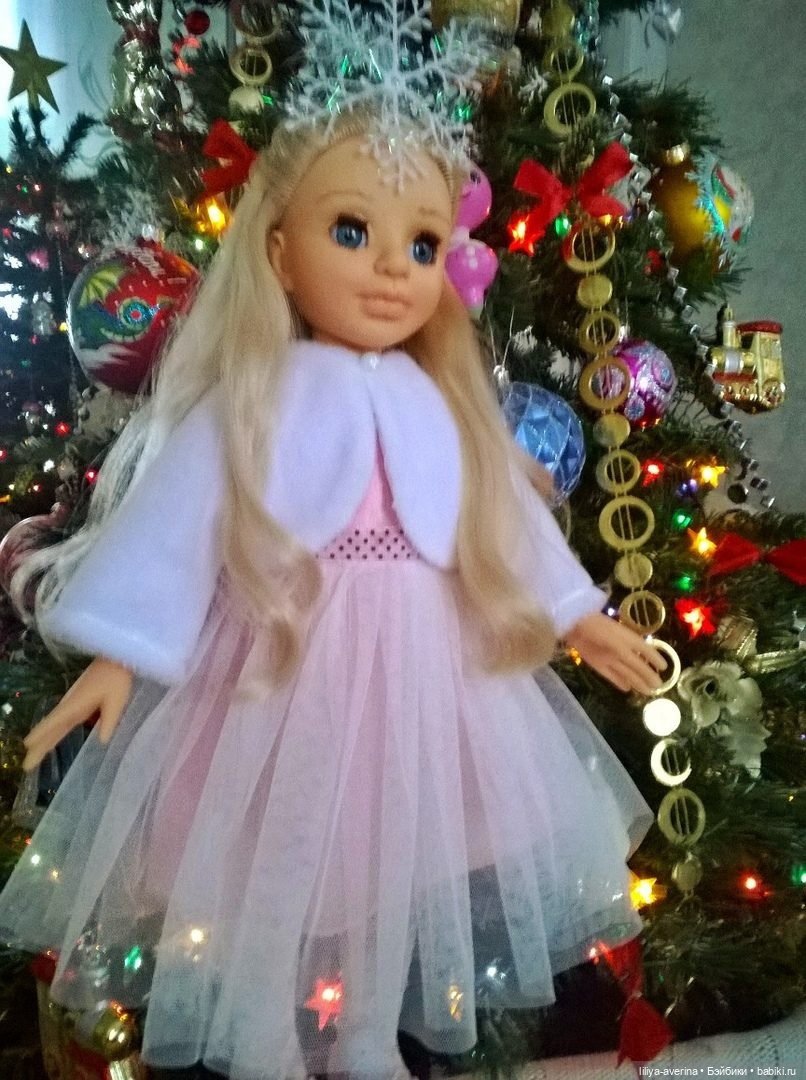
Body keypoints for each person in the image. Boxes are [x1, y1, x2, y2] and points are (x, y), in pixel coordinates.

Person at [0, 113, 663, 1080]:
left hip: (425, 676)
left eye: (423, 245)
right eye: (352, 231)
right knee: (282, 853)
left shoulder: (441, 402)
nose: (393, 267)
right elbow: (177, 524)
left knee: (397, 858)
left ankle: (363, 1035)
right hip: (285, 667)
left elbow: (500, 517)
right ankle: (261, 1029)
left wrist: (577, 615)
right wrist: (119, 652)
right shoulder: (255, 395)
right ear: (279, 250)